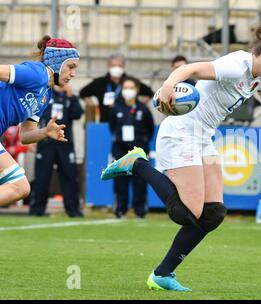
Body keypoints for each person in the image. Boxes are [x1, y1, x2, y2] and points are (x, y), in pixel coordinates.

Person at [101, 21, 261, 291]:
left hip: (203, 137)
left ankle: (162, 274)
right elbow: (188, 69)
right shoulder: (236, 65)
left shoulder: (259, 78)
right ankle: (137, 163)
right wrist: (168, 85)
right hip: (182, 131)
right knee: (186, 212)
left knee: (213, 214)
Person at [0, 35, 79, 207]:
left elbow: (25, 135)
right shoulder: (37, 73)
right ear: (57, 62)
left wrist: (45, 132)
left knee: (19, 187)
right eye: (71, 67)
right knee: (19, 186)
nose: (73, 73)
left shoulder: (46, 94)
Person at [29, 84, 84, 218]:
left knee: (69, 176)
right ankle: (37, 210)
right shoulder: (45, 94)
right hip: (45, 142)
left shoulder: (70, 97)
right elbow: (32, 115)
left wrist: (71, 97)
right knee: (42, 177)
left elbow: (78, 114)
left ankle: (73, 210)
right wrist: (31, 138)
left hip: (65, 143)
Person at [108, 77, 155, 219]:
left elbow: (150, 129)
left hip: (139, 151)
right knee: (120, 182)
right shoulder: (116, 108)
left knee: (140, 182)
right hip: (120, 151)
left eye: (131, 88)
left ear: (136, 90)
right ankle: (120, 210)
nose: (128, 91)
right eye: (125, 88)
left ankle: (140, 211)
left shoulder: (143, 109)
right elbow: (112, 127)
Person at [79, 53, 154, 123]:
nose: (116, 68)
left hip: (128, 122)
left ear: (123, 67)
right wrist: (91, 104)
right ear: (108, 66)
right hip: (105, 122)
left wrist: (140, 105)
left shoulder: (131, 82)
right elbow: (83, 93)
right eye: (113, 65)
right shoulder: (100, 82)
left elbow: (149, 93)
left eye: (119, 66)